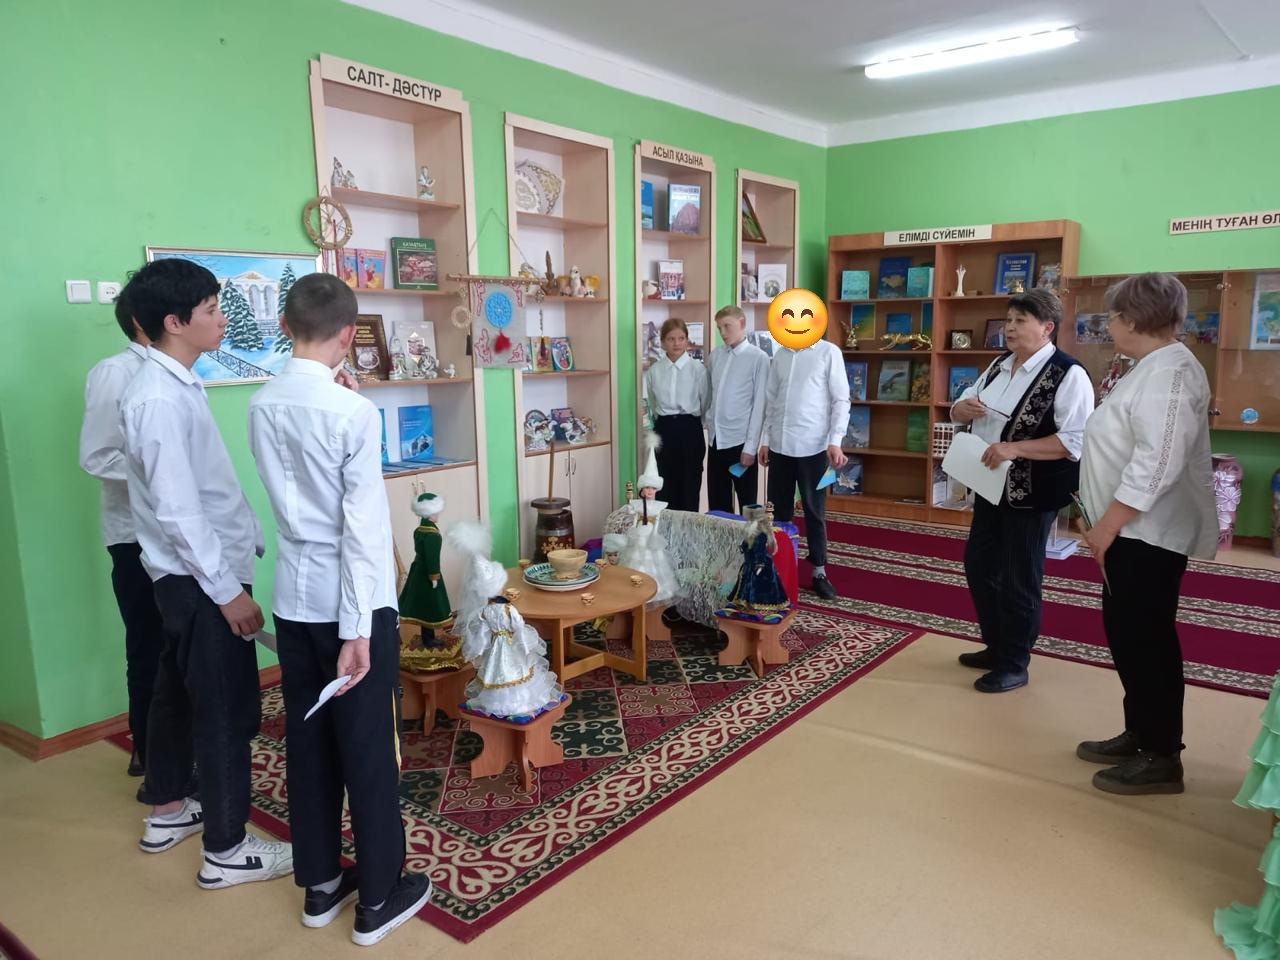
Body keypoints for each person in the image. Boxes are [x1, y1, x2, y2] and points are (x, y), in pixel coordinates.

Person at [248, 273, 431, 944]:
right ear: (351, 335)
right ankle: (379, 895)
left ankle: (321, 885)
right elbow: (360, 530)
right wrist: (357, 631)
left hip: (294, 599)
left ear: (285, 327)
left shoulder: (262, 403)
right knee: (369, 747)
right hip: (354, 605)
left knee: (308, 742)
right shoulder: (352, 413)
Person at [119, 258, 292, 886]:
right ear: (174, 322)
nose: (222, 320)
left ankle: (168, 809)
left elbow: (203, 489)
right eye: (212, 310)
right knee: (224, 711)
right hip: (199, 582)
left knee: (173, 693)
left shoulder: (175, 383)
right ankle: (227, 849)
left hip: (191, 576)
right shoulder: (157, 398)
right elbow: (178, 509)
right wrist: (226, 592)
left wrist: (245, 539)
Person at [1077, 273, 1217, 795]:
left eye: (1112, 316)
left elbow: (1156, 464)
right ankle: (1140, 731)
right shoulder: (1149, 368)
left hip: (1146, 535)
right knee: (1128, 637)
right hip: (1127, 532)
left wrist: (1106, 526)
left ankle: (1162, 755)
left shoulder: (1171, 374)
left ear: (1133, 320)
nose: (1108, 325)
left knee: (1147, 640)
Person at [950, 288, 1093, 693]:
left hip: (1033, 493)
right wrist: (960, 409)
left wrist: (1015, 448)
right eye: (1008, 320)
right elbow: (959, 407)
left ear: (1047, 328)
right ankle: (997, 645)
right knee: (979, 566)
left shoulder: (1068, 374)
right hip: (989, 486)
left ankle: (1015, 662)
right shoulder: (998, 365)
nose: (1009, 328)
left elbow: (1076, 440)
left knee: (1019, 577)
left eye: (1020, 321)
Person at [78, 289, 163, 778]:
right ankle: (148, 752)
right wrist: (165, 477)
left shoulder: (174, 372)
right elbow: (97, 457)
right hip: (134, 535)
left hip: (172, 534)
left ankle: (173, 747)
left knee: (177, 646)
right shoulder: (115, 372)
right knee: (148, 644)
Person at [758, 327, 850, 601]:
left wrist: (835, 440)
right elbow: (771, 400)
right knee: (778, 512)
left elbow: (840, 400)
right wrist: (765, 440)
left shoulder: (828, 352)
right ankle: (781, 568)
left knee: (814, 510)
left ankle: (819, 572)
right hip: (780, 446)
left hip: (814, 447)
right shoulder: (780, 355)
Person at [704, 306, 769, 514]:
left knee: (748, 504)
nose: (722, 333)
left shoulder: (758, 358)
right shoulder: (716, 356)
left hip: (740, 443)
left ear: (742, 324)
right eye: (719, 328)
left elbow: (760, 405)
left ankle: (753, 537)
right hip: (716, 441)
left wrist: (750, 447)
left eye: (727, 326)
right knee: (718, 505)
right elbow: (710, 395)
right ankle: (720, 537)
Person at [644, 317, 709, 512]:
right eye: (671, 339)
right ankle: (665, 528)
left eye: (681, 338)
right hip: (664, 429)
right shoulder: (655, 371)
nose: (677, 343)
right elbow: (653, 402)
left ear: (687, 340)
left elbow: (705, 401)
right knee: (664, 484)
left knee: (689, 485)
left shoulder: (697, 369)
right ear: (663, 342)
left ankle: (688, 528)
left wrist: (692, 421)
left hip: (690, 429)